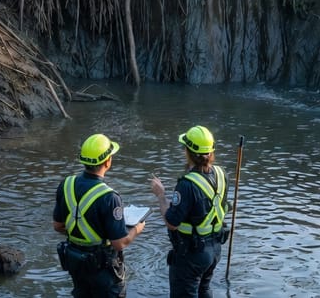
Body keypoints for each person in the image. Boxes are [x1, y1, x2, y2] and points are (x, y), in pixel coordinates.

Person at [53, 133, 145, 297]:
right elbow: (119, 244)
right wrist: (137, 229)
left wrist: (81, 232)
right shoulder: (110, 197)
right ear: (107, 161)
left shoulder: (65, 185)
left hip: (76, 264)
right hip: (103, 269)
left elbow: (58, 226)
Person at [150, 125, 229, 298]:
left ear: (187, 151)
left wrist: (161, 196)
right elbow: (203, 208)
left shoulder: (187, 184)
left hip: (191, 255)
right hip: (214, 249)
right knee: (204, 289)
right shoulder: (221, 174)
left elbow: (172, 223)